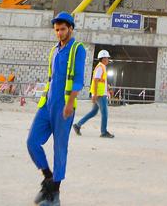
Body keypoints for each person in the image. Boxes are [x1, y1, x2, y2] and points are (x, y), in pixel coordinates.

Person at [28, 12, 86, 206]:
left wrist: (70, 103)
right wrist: (44, 102)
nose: (59, 33)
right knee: (32, 142)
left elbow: (78, 78)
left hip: (64, 106)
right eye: (56, 30)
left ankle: (55, 195)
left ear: (70, 28)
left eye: (62, 29)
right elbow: (51, 79)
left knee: (59, 149)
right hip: (47, 104)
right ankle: (48, 178)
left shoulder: (78, 48)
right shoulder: (54, 51)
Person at [74, 49, 113, 138]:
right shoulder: (100, 68)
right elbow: (95, 81)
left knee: (93, 112)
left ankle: (77, 125)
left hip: (100, 94)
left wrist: (109, 89)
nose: (108, 60)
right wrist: (95, 94)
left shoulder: (102, 67)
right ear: (103, 58)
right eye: (107, 58)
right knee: (105, 113)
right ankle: (104, 132)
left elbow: (103, 81)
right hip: (99, 95)